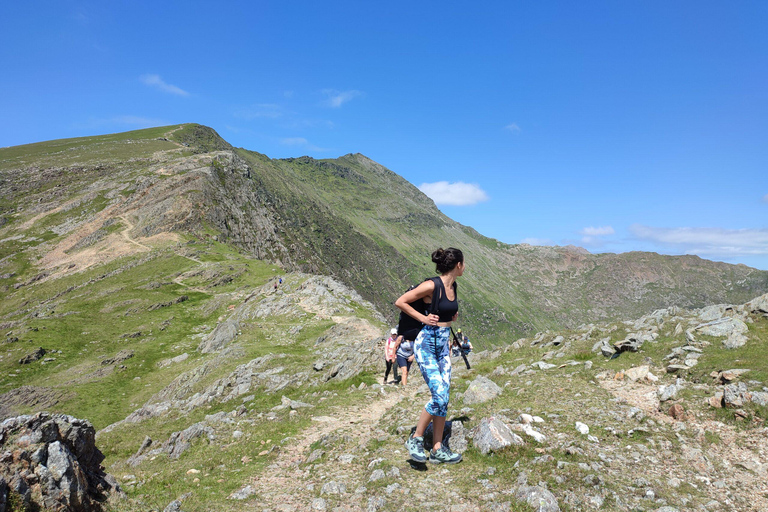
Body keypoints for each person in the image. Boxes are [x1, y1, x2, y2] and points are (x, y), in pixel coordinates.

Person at [395, 247, 465, 464]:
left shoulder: (453, 285)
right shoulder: (431, 285)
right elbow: (401, 301)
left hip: (443, 346)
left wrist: (450, 316)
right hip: (426, 345)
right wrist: (423, 319)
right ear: (458, 265)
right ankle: (415, 438)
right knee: (440, 394)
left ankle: (437, 448)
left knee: (444, 397)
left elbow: (448, 312)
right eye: (465, 263)